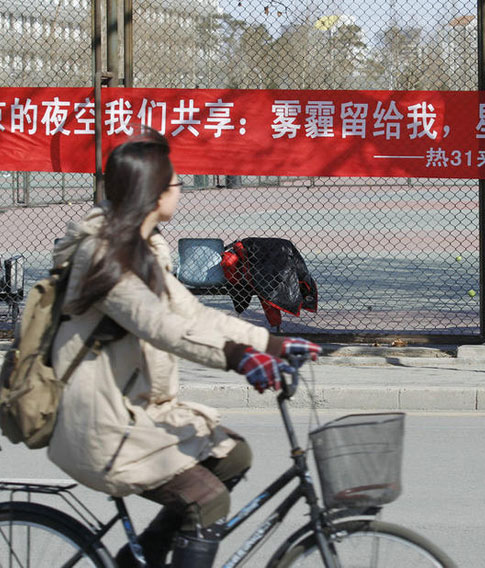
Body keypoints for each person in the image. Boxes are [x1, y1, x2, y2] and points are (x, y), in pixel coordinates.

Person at [46, 128, 321, 568]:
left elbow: (192, 315)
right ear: (151, 192)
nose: (181, 189)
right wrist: (237, 357)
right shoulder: (104, 256)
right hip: (99, 421)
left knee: (234, 456)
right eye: (175, 183)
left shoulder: (145, 247)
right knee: (206, 502)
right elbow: (159, 325)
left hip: (133, 409)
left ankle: (141, 558)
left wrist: (273, 342)